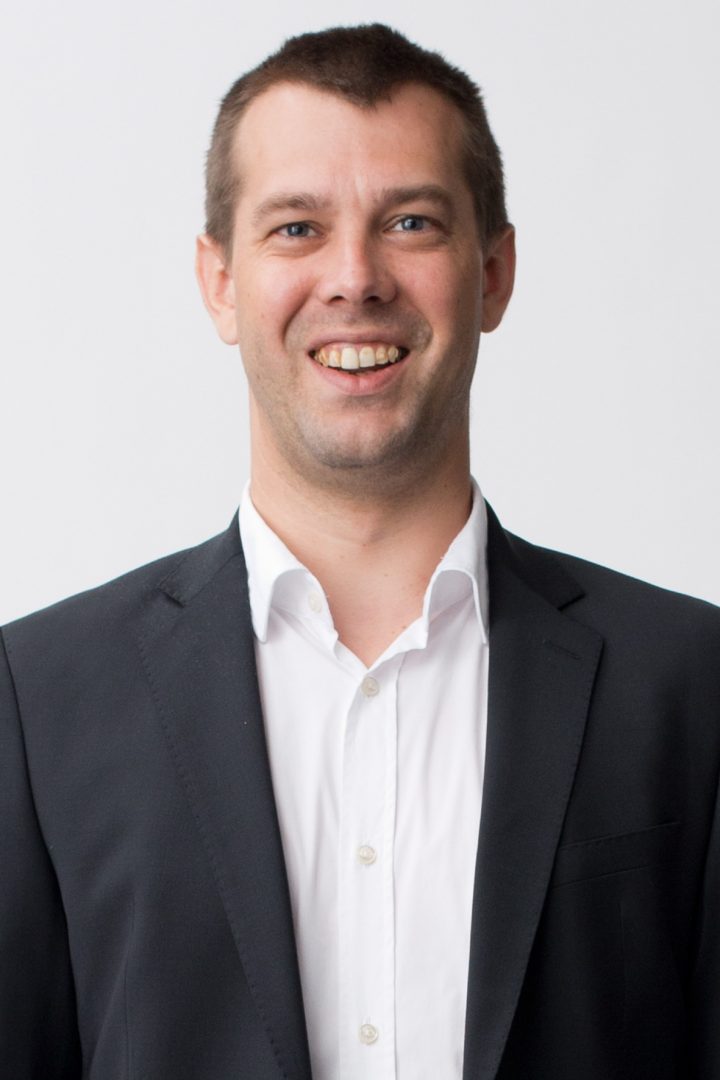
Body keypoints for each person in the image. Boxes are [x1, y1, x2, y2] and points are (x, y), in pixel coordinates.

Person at [1, 22, 718, 1080]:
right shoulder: (38, 696)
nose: (355, 277)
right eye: (295, 228)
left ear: (495, 273)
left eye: (412, 222)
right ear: (219, 282)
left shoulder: (688, 681)